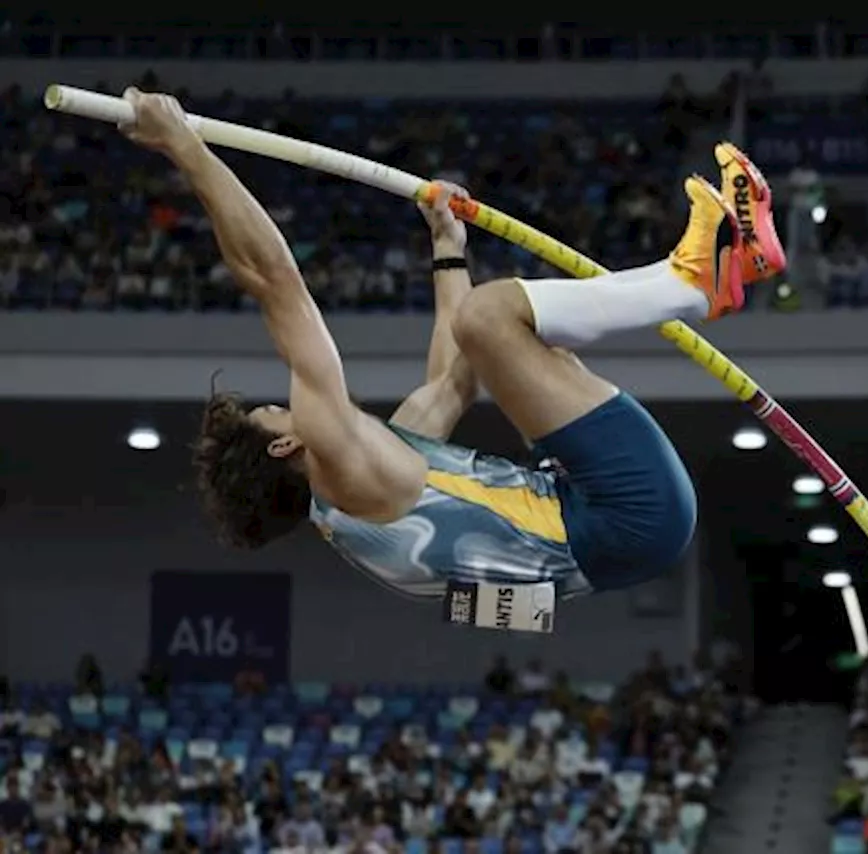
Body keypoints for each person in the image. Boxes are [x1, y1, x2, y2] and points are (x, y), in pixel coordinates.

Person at [119, 88, 785, 630]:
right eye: (276, 412)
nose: (287, 401)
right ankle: (695, 281)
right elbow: (272, 279)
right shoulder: (341, 457)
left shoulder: (366, 493)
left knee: (487, 326)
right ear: (286, 444)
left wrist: (446, 247)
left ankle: (698, 276)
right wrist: (185, 148)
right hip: (623, 517)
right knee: (491, 317)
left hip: (615, 529)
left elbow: (452, 383)